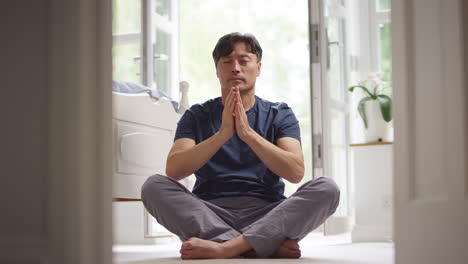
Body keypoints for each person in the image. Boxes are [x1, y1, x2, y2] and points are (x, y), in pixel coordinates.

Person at [141, 32, 340, 259]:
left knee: (327, 188)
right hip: (210, 213)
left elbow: (295, 172)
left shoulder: (279, 114)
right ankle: (262, 244)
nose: (235, 68)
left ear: (258, 67)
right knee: (153, 186)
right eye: (227, 62)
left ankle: (226, 247)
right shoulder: (196, 114)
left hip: (267, 213)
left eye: (244, 61)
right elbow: (174, 170)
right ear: (217, 70)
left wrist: (247, 134)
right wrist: (223, 133)